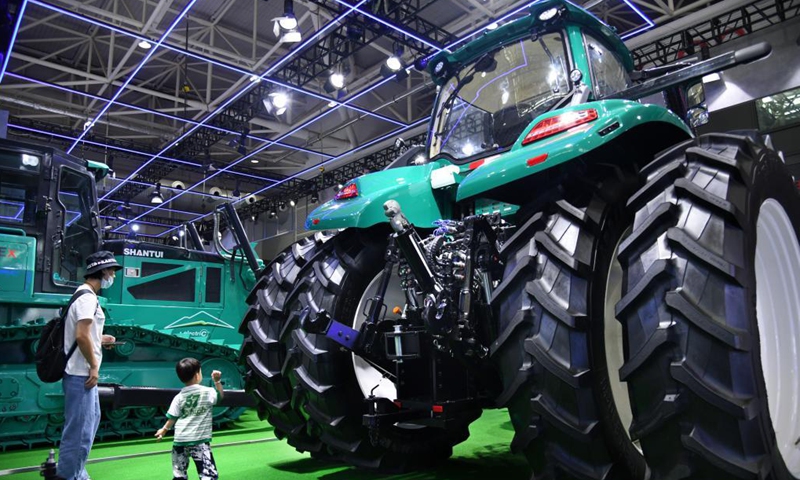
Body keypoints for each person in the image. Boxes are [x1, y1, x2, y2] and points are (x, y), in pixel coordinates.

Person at [57, 250, 122, 480]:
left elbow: (85, 334)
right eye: (112, 270)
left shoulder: (83, 295)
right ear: (102, 271)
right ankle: (68, 476)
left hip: (80, 374)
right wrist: (94, 366)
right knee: (79, 432)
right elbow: (82, 336)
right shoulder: (87, 298)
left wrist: (101, 338)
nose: (113, 275)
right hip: (81, 375)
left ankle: (77, 473)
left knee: (88, 425)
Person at [155, 358, 224, 480]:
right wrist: (217, 382)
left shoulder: (179, 397)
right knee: (208, 475)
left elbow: (172, 417)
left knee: (179, 475)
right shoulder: (208, 392)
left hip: (180, 441)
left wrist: (163, 430)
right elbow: (219, 397)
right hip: (199, 441)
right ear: (198, 375)